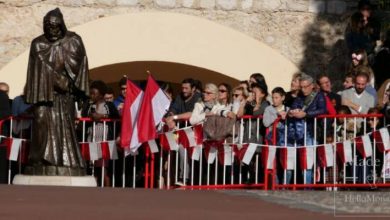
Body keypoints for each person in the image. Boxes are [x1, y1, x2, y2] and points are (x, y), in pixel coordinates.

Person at [24, 8, 89, 176]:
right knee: (40, 120)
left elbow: (81, 66)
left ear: (61, 26)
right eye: (48, 27)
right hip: (44, 94)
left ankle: (66, 161)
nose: (51, 30)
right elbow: (37, 70)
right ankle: (39, 159)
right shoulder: (38, 44)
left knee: (65, 128)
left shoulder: (73, 40)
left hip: (65, 95)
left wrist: (75, 88)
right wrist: (57, 80)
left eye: (55, 27)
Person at [288, 74, 327, 184]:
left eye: (305, 86)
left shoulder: (319, 96)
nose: (303, 89)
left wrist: (306, 114)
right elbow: (293, 107)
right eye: (301, 87)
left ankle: (307, 187)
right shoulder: (299, 97)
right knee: (301, 162)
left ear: (312, 86)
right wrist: (292, 112)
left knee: (308, 163)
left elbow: (323, 110)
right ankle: (304, 185)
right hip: (299, 133)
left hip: (312, 132)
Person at [82, 80, 119, 186]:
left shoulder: (109, 105)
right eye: (91, 93)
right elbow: (84, 115)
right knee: (94, 169)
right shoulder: (89, 105)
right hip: (92, 140)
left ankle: (107, 192)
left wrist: (102, 116)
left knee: (104, 169)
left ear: (102, 94)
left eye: (94, 94)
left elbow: (116, 116)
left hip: (105, 141)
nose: (92, 96)